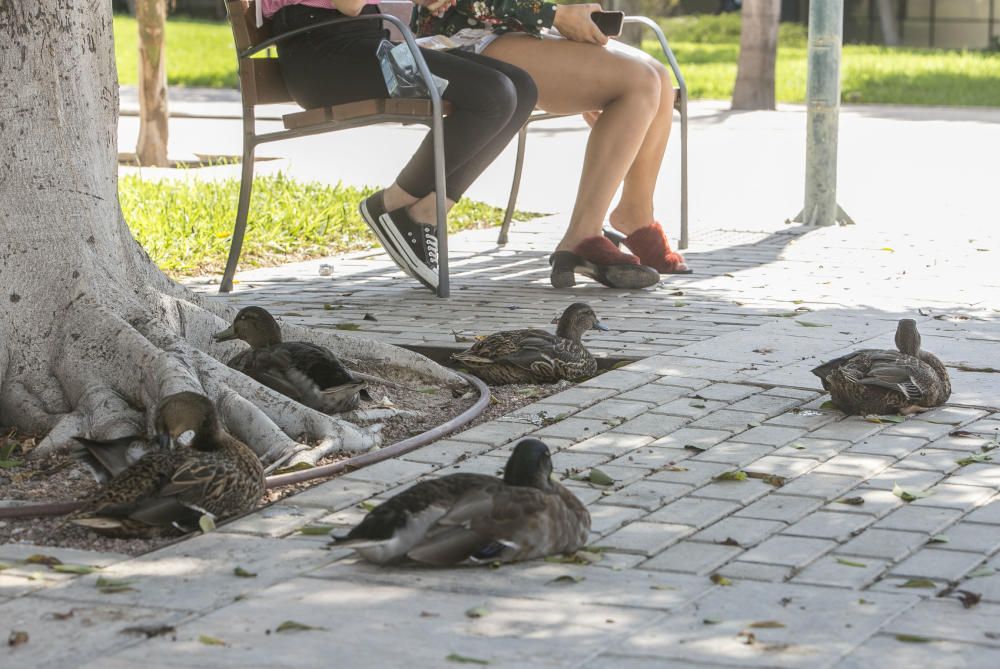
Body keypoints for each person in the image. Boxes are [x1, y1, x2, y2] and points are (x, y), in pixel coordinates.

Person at [262, 0, 539, 292]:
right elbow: (350, 5)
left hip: (363, 43)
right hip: (323, 56)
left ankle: (426, 213)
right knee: (493, 95)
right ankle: (392, 206)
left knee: (521, 88)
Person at [414, 0, 691, 289]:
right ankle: (583, 236)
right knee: (640, 81)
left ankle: (635, 213)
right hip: (459, 41)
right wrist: (554, 15)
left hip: (518, 29)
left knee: (658, 76)